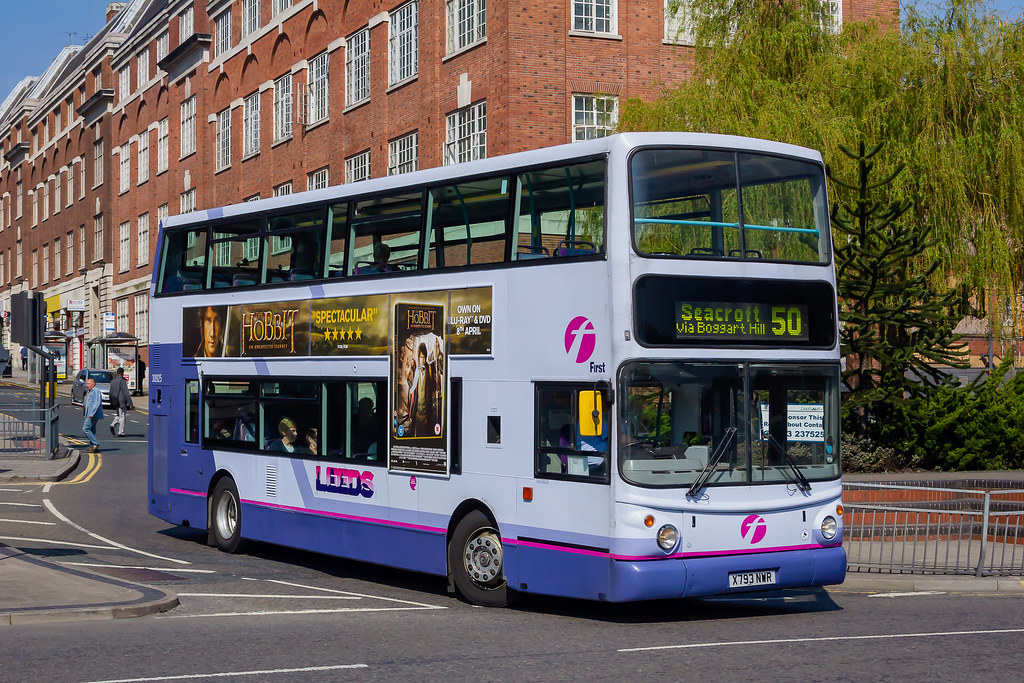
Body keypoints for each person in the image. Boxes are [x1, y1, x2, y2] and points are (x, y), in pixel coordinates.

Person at [108, 367, 133, 437]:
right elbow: (126, 392)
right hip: (121, 401)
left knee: (119, 415)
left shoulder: (113, 381)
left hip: (115, 400)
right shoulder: (122, 381)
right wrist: (130, 403)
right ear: (122, 373)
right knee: (122, 416)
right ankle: (120, 431)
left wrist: (111, 400)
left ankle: (113, 425)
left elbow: (110, 392)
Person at [83, 377, 104, 453]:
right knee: (92, 429)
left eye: (88, 384)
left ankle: (95, 443)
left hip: (92, 414)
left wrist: (91, 414)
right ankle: (92, 446)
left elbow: (97, 403)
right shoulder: (89, 391)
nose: (87, 385)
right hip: (89, 413)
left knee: (85, 429)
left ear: (93, 384)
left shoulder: (96, 391)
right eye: (86, 383)